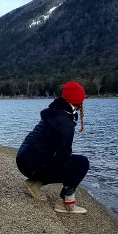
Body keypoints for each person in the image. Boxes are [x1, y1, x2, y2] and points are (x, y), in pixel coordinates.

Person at [16, 81, 90, 214]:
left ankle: (35, 184)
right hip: (31, 164)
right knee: (82, 164)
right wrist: (69, 190)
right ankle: (63, 204)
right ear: (78, 101)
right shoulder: (65, 122)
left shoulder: (55, 113)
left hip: (24, 159)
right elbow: (64, 158)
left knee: (64, 160)